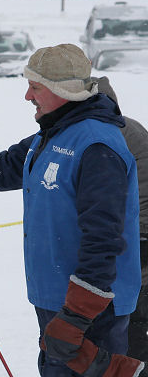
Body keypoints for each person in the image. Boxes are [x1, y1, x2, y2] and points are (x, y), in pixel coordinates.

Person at [0, 44, 145, 376]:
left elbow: (104, 241)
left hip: (91, 313)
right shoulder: (54, 134)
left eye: (35, 86)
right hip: (58, 302)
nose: (28, 95)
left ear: (63, 91)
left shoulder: (97, 146)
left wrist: (76, 316)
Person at [93, 76, 148, 364]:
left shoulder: (115, 136)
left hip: (134, 250)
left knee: (131, 337)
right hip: (130, 246)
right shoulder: (125, 129)